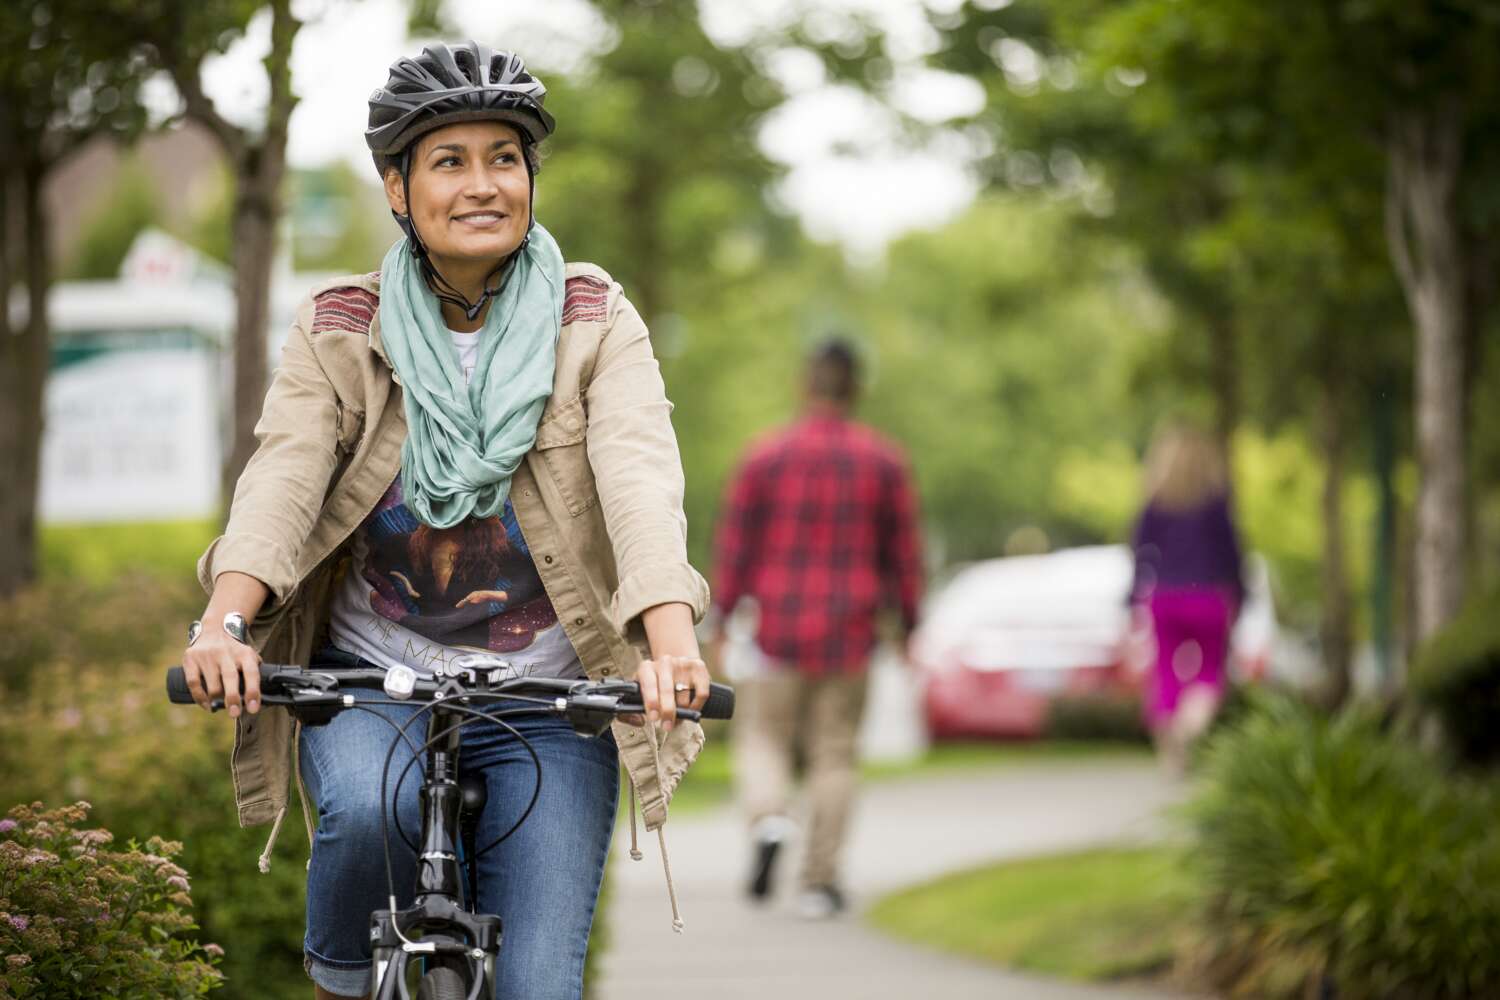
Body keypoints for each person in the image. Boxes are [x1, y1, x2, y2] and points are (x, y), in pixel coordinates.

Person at [178, 42, 711, 1000]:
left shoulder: (594, 319)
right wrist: (225, 618)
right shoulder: (341, 324)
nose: (482, 184)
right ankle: (347, 979)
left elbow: (638, 475)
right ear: (398, 188)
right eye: (449, 160)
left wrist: (669, 647)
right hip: (371, 677)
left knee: (539, 985)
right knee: (371, 816)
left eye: (504, 158)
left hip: (548, 695)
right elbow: (285, 474)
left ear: (531, 178)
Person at [711, 338, 923, 919]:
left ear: (805, 384)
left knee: (763, 739)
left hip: (776, 626)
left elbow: (735, 547)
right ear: (856, 389)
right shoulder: (883, 461)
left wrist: (724, 618)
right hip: (851, 633)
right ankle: (819, 882)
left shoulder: (764, 457)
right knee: (835, 753)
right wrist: (908, 627)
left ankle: (770, 815)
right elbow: (904, 556)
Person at [1128, 422, 1245, 772]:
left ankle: (1170, 751)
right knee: (1209, 672)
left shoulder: (1155, 502)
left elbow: (1140, 552)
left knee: (1165, 671)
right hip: (1209, 596)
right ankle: (1189, 728)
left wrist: (1132, 597)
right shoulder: (1215, 503)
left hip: (1165, 596)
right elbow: (1232, 554)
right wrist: (1241, 595)